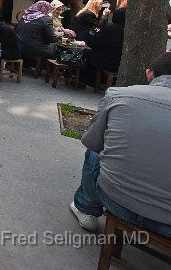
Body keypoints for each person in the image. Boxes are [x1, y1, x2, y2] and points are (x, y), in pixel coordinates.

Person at [69, 51, 171, 235]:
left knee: (95, 151)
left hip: (117, 200)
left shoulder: (119, 94)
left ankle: (87, 209)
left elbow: (91, 141)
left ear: (149, 73)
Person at [81, 8, 126, 88]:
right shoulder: (128, 31)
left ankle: (85, 81)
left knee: (87, 53)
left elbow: (93, 42)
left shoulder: (109, 29)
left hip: (106, 62)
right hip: (121, 62)